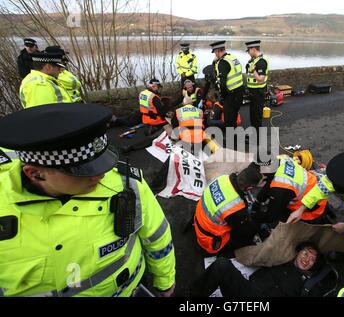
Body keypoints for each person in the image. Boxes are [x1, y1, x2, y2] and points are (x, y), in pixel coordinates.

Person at [0, 103, 176, 297]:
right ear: (35, 173)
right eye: (84, 171)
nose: (101, 175)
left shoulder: (127, 184)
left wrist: (165, 283)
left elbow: (157, 237)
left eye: (101, 163)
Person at [190, 242, 333, 297]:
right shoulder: (280, 258)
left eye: (312, 259)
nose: (307, 259)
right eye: (306, 253)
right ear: (298, 252)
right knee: (222, 264)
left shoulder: (306, 286)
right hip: (247, 292)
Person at [194, 165, 263, 255]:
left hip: (199, 218)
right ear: (249, 188)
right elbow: (243, 229)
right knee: (250, 231)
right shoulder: (234, 207)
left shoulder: (223, 178)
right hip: (208, 240)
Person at [254, 156, 329, 226]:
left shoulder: (281, 188)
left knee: (278, 217)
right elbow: (270, 182)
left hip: (312, 209)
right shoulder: (283, 159)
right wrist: (258, 200)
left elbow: (271, 216)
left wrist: (254, 217)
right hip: (315, 189)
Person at [121, 78, 172, 154]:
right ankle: (131, 147)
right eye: (158, 87)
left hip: (145, 119)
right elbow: (161, 113)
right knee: (157, 136)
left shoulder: (143, 93)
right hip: (156, 121)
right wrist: (168, 112)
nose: (158, 89)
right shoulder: (154, 97)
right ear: (154, 86)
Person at [209, 41, 244, 129]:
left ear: (217, 51)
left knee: (228, 121)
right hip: (239, 92)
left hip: (231, 96)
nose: (215, 55)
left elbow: (222, 84)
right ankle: (235, 138)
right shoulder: (232, 57)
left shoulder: (223, 63)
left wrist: (223, 96)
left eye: (215, 53)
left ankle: (232, 141)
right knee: (234, 117)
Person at [245, 40, 269, 143]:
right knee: (253, 114)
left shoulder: (261, 62)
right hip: (253, 92)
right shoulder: (254, 60)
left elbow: (261, 79)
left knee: (257, 115)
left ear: (253, 49)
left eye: (249, 51)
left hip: (258, 92)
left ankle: (257, 138)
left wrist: (253, 71)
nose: (248, 53)